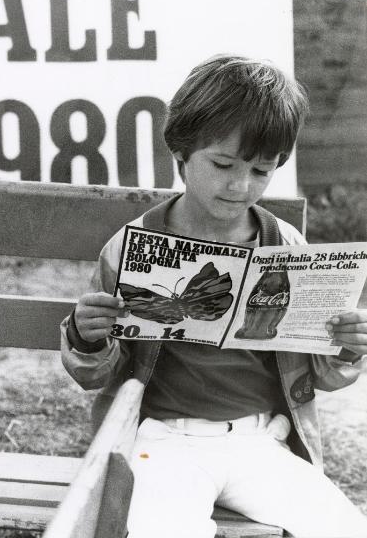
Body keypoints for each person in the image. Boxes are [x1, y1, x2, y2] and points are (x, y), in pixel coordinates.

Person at [61, 55, 367, 538]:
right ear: (181, 152)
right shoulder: (132, 246)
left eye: (261, 171)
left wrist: (346, 344)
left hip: (262, 441)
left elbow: (322, 374)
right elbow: (98, 373)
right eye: (223, 164)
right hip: (164, 443)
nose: (240, 185)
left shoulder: (284, 245)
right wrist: (87, 335)